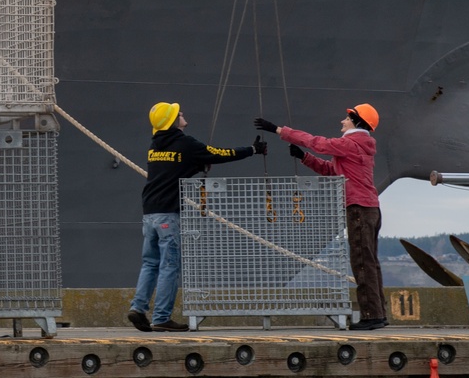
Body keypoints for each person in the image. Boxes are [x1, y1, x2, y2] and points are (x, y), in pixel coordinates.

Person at [127, 102, 267, 333]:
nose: (185, 118)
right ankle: (161, 317)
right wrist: (251, 150)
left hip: (149, 212)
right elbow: (220, 153)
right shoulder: (185, 143)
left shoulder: (155, 145)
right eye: (180, 115)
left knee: (150, 263)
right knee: (170, 265)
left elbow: (170, 170)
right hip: (168, 214)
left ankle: (138, 307)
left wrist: (196, 166)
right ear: (173, 121)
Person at [254, 104, 388, 331]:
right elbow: (331, 170)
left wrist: (279, 130)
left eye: (347, 118)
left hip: (358, 209)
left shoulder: (349, 143)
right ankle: (378, 313)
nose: (342, 121)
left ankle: (370, 316)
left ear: (357, 122)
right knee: (370, 263)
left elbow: (318, 143)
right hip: (370, 208)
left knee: (362, 263)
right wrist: (304, 157)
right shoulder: (360, 147)